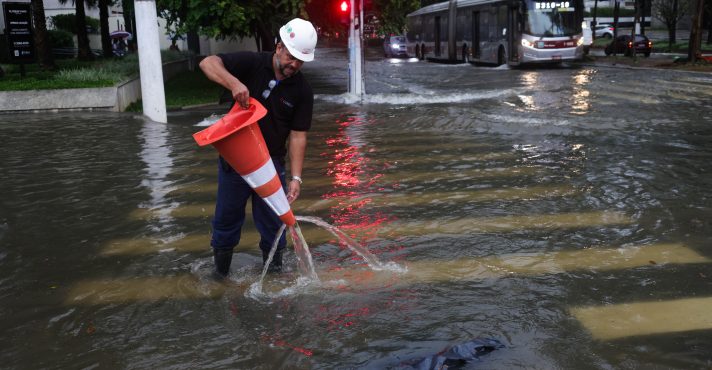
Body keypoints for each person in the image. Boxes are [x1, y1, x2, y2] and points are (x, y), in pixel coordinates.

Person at [199, 18, 317, 278]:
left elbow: (298, 136)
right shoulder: (252, 63)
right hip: (236, 163)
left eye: (301, 61)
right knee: (225, 223)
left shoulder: (302, 91)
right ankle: (220, 279)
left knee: (274, 226)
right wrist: (234, 83)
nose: (294, 65)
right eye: (291, 57)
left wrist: (296, 178)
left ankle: (273, 279)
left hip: (271, 165)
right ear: (278, 47)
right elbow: (208, 63)